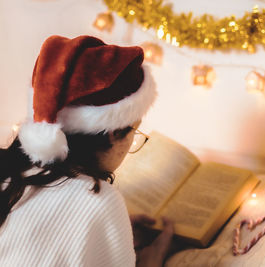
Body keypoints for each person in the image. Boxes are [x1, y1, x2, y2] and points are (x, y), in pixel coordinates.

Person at [0, 35, 174, 266]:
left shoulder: (10, 171)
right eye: (134, 131)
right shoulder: (99, 200)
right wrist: (151, 261)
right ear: (113, 133)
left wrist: (108, 233)